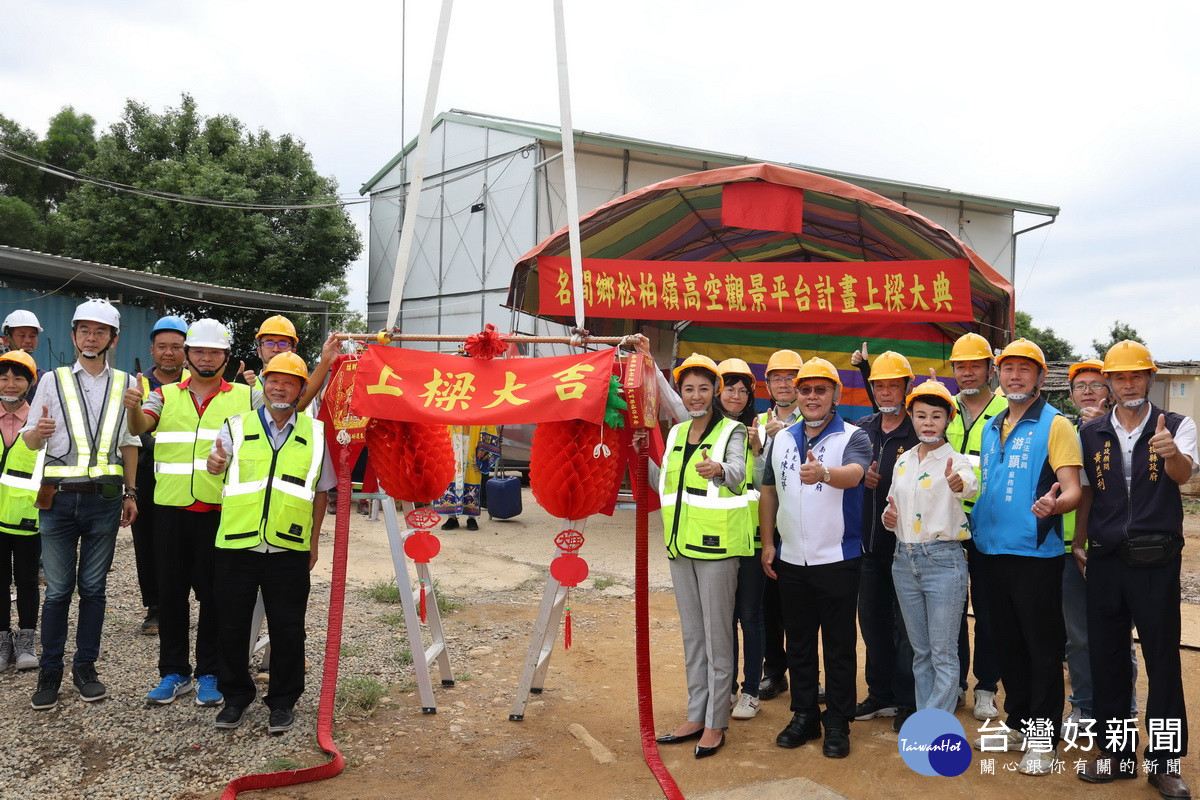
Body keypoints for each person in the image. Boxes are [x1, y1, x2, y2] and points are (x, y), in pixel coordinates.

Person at [1076, 341, 1196, 799]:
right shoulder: (1091, 432)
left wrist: (1169, 454)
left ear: (1150, 378)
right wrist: (1080, 541)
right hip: (1105, 559)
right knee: (1107, 659)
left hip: (1156, 561)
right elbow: (1087, 491)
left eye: (1137, 375)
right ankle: (1119, 752)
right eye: (1120, 376)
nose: (1128, 383)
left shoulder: (1178, 426)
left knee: (1162, 660)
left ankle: (1164, 763)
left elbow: (1184, 476)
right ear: (1108, 381)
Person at [125, 319, 259, 708]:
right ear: (188, 355)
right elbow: (140, 427)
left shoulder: (245, 397)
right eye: (198, 351)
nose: (205, 358)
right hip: (169, 510)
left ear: (225, 357)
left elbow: (287, 412)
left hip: (220, 510)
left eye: (213, 352)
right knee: (170, 594)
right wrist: (132, 408)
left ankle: (210, 673)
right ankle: (174, 672)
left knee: (215, 596)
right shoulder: (163, 395)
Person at [207, 352, 334, 734]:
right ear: (262, 384)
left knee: (288, 628)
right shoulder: (236, 425)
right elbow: (217, 465)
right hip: (236, 545)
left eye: (289, 382)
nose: (279, 387)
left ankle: (283, 702)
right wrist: (214, 465)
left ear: (300, 390)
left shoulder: (315, 434)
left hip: (288, 548)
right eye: (273, 380)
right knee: (230, 625)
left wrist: (313, 543)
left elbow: (322, 493)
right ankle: (235, 698)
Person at [971, 337, 1082, 775]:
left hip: (1036, 554)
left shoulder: (1055, 425)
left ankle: (1043, 737)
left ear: (1039, 377)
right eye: (1008, 369)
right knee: (1004, 641)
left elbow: (1072, 488)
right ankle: (1017, 722)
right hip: (989, 551)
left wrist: (1056, 505)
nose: (1014, 376)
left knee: (1041, 647)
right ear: (998, 374)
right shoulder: (990, 424)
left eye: (1025, 369)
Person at [22, 299, 139, 710]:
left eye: (100, 331)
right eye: (84, 330)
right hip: (57, 501)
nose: (92, 337)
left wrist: (130, 493)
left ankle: (85, 667)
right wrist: (38, 431)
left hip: (104, 503)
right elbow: (30, 440)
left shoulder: (126, 383)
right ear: (73, 336)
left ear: (113, 338)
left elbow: (129, 443)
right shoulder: (51, 380)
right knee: (57, 591)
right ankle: (50, 670)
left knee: (93, 589)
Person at [759, 357, 871, 759]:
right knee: (800, 643)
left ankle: (838, 721)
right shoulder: (782, 438)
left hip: (838, 559)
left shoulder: (854, 436)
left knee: (839, 645)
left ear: (835, 395)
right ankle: (804, 713)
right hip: (791, 560)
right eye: (805, 390)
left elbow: (856, 475)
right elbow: (768, 491)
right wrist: (768, 542)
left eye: (820, 390)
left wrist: (824, 473)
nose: (811, 396)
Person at [648, 353, 752, 759]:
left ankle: (715, 722)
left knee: (717, 635)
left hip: (717, 550)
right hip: (679, 548)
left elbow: (740, 474)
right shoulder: (675, 435)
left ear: (716, 392)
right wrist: (643, 452)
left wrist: (720, 471)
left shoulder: (733, 431)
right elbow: (664, 485)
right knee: (693, 635)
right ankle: (696, 713)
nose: (695, 396)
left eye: (703, 388)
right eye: (688, 389)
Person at [883, 379, 975, 714]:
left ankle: (935, 726)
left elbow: (969, 487)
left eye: (936, 416)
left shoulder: (959, 460)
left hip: (943, 562)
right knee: (920, 651)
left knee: (943, 652)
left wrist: (958, 482)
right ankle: (927, 717)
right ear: (911, 417)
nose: (928, 423)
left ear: (949, 419)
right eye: (921, 415)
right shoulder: (903, 460)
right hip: (903, 561)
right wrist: (888, 518)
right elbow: (893, 505)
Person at [852, 350, 919, 731]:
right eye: (879, 385)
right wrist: (862, 477)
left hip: (908, 549)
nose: (886, 391)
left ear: (907, 388)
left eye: (894, 385)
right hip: (869, 547)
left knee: (907, 628)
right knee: (872, 623)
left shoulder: (919, 431)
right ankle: (879, 693)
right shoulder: (862, 428)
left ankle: (907, 699)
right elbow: (848, 470)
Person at [944, 332, 1006, 722]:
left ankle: (986, 685)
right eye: (960, 366)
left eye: (974, 365)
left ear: (989, 369)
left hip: (989, 523)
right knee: (950, 608)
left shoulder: (1007, 410)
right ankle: (955, 685)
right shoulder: (942, 407)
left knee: (988, 608)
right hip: (947, 523)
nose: (967, 373)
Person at [129, 315, 191, 636]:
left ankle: (187, 600)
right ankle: (155, 606)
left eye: (176, 347)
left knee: (186, 540)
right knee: (148, 541)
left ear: (186, 350)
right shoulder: (136, 385)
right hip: (146, 475)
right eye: (163, 346)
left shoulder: (197, 383)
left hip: (186, 477)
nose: (169, 352)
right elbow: (129, 429)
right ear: (152, 349)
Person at [749, 349, 804, 704]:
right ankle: (774, 672)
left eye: (790, 378)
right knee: (768, 603)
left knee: (801, 605)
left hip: (802, 523)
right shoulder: (757, 421)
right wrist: (757, 450)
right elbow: (756, 483)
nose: (784, 384)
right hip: (769, 523)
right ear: (768, 384)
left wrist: (787, 432)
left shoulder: (816, 418)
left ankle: (805, 676)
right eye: (777, 378)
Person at [714, 357, 764, 721]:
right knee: (725, 616)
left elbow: (767, 483)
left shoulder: (757, 429)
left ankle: (751, 690)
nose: (735, 395)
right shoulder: (707, 430)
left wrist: (760, 449)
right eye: (729, 389)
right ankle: (728, 686)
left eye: (742, 391)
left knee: (750, 614)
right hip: (720, 536)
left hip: (753, 538)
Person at [1061, 359, 1109, 727]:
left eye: (1096, 384)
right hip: (1069, 548)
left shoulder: (1124, 435)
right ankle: (1083, 706)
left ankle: (1120, 710)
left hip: (1110, 546)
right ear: (1072, 393)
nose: (1089, 390)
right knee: (1077, 636)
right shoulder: (1067, 433)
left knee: (1115, 633)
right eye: (1081, 386)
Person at [0, 351, 45, 672]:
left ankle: (27, 641)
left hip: (29, 518)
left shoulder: (39, 420)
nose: (10, 384)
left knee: (27, 579)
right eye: (3, 377)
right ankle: (3, 641)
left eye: (18, 378)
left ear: (30, 383)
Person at [436, 424, 500, 531]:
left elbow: (486, 420)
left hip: (472, 442)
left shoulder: (478, 406)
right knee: (451, 476)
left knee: (472, 477)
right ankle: (451, 517)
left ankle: (472, 518)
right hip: (452, 441)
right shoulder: (449, 406)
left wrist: (483, 445)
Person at [1, 310, 44, 399]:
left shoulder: (43, 377)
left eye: (32, 336)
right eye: (21, 335)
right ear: (6, 340)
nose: (28, 340)